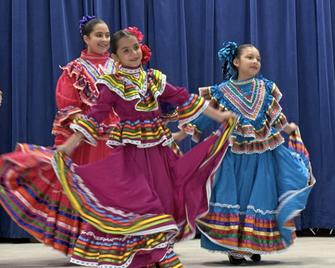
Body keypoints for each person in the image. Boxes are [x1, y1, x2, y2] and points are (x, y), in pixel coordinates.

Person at [52, 27, 236, 267]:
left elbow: (183, 97)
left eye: (135, 48)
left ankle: (153, 252)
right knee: (141, 201)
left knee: (164, 197)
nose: (133, 54)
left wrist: (219, 117)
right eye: (126, 51)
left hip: (158, 152)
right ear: (115, 57)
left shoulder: (153, 79)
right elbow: (96, 116)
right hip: (131, 154)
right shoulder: (112, 84)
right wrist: (70, 144)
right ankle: (161, 254)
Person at [181, 41, 315, 265]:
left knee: (260, 197)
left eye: (258, 59)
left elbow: (274, 116)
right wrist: (190, 129)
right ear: (236, 62)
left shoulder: (265, 88)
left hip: (261, 155)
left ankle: (251, 243)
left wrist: (287, 128)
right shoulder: (222, 91)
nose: (255, 62)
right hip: (232, 156)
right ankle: (234, 247)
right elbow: (208, 114)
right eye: (250, 57)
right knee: (235, 197)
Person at [0, 16, 118, 255]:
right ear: (86, 38)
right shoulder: (75, 69)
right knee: (87, 191)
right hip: (88, 142)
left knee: (114, 191)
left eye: (107, 35)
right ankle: (87, 244)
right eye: (98, 35)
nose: (104, 40)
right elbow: (67, 104)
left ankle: (114, 244)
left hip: (116, 141)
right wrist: (88, 126)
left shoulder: (118, 67)